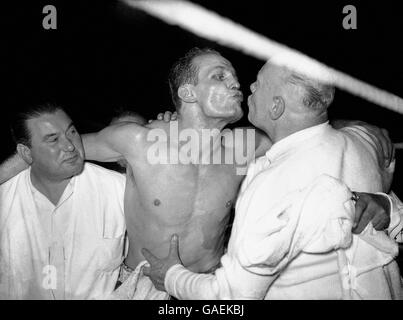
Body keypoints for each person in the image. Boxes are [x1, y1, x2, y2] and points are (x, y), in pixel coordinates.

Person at [0, 49, 398, 299]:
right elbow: (57, 153)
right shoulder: (138, 141)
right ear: (188, 94)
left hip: (211, 291)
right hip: (145, 287)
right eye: (218, 77)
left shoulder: (249, 146)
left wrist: (359, 127)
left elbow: (307, 124)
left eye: (233, 76)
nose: (236, 82)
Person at [142, 59, 403, 299]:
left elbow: (231, 297)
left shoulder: (270, 183)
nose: (247, 85)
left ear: (276, 107)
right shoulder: (364, 142)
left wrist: (171, 276)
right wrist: (388, 208)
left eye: (259, 83)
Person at [0, 103, 126, 299]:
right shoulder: (5, 200)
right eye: (53, 140)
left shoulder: (119, 189)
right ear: (25, 153)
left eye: (72, 132)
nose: (70, 146)